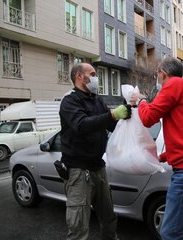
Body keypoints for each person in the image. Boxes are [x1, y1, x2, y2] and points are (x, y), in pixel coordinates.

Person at [131, 57, 183, 240]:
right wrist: (166, 155)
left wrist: (141, 101)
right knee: (178, 228)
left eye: (157, 74)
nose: (157, 78)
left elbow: (148, 118)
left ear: (163, 73)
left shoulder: (173, 85)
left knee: (169, 232)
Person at [59, 63, 131, 240]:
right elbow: (81, 125)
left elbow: (111, 125)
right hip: (78, 171)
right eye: (92, 74)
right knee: (78, 226)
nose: (96, 78)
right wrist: (113, 115)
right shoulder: (70, 101)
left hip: (98, 168)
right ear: (79, 76)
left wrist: (130, 112)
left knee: (109, 217)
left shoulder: (97, 100)